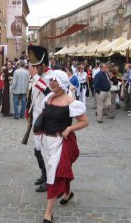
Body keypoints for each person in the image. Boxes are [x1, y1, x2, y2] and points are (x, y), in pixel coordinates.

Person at [37, 70, 88, 223]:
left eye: (55, 81)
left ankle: (48, 213)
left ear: (62, 83)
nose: (52, 83)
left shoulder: (70, 101)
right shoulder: (49, 98)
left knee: (53, 175)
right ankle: (67, 193)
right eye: (51, 80)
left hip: (60, 142)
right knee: (56, 171)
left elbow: (84, 121)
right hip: (46, 142)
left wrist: (70, 128)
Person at [26, 45, 53, 192]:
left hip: (47, 120)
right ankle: (44, 175)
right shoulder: (37, 78)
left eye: (36, 66)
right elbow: (32, 96)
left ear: (43, 64)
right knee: (37, 150)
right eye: (33, 66)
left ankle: (50, 180)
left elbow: (49, 93)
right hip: (36, 118)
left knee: (46, 152)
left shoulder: (52, 76)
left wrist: (35, 77)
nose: (34, 68)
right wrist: (28, 113)